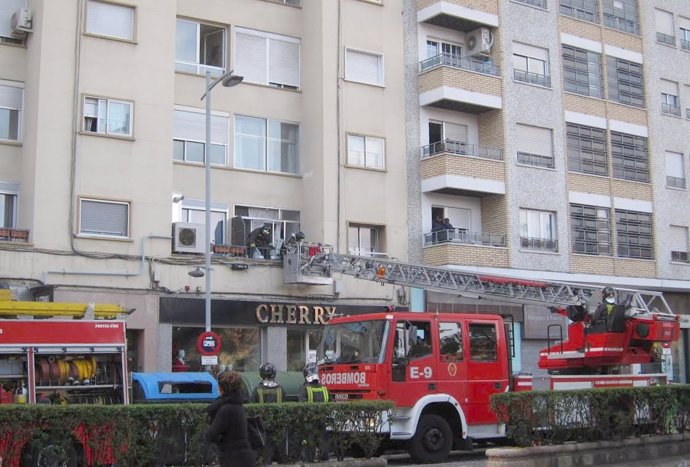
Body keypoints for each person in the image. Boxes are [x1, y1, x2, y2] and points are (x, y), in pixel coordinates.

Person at [205, 371, 256, 467]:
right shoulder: (238, 405)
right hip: (245, 458)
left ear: (221, 389)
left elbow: (211, 435)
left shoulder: (226, 409)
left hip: (233, 459)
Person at [252, 362, 286, 465]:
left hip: (262, 425)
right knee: (280, 449)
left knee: (265, 452)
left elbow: (252, 407)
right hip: (278, 424)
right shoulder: (281, 389)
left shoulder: (257, 390)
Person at [298, 363, 330, 462]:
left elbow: (301, 405)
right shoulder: (324, 389)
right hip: (323, 420)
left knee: (309, 443)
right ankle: (324, 459)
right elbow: (331, 403)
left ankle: (309, 460)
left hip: (309, 421)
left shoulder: (305, 388)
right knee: (323, 441)